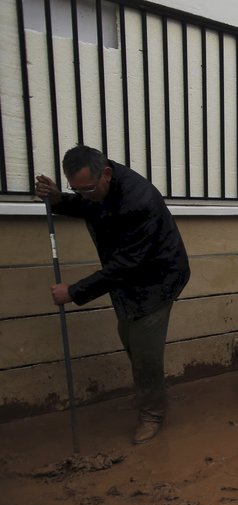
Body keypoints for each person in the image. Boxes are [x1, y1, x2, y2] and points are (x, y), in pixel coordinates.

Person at [34, 145, 191, 444]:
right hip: (127, 279)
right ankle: (150, 391)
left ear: (105, 174)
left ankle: (152, 413)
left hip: (158, 278)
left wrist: (74, 291)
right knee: (130, 338)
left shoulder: (138, 199)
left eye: (87, 188)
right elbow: (90, 205)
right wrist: (58, 200)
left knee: (144, 348)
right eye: (75, 189)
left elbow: (127, 263)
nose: (84, 194)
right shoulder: (100, 188)